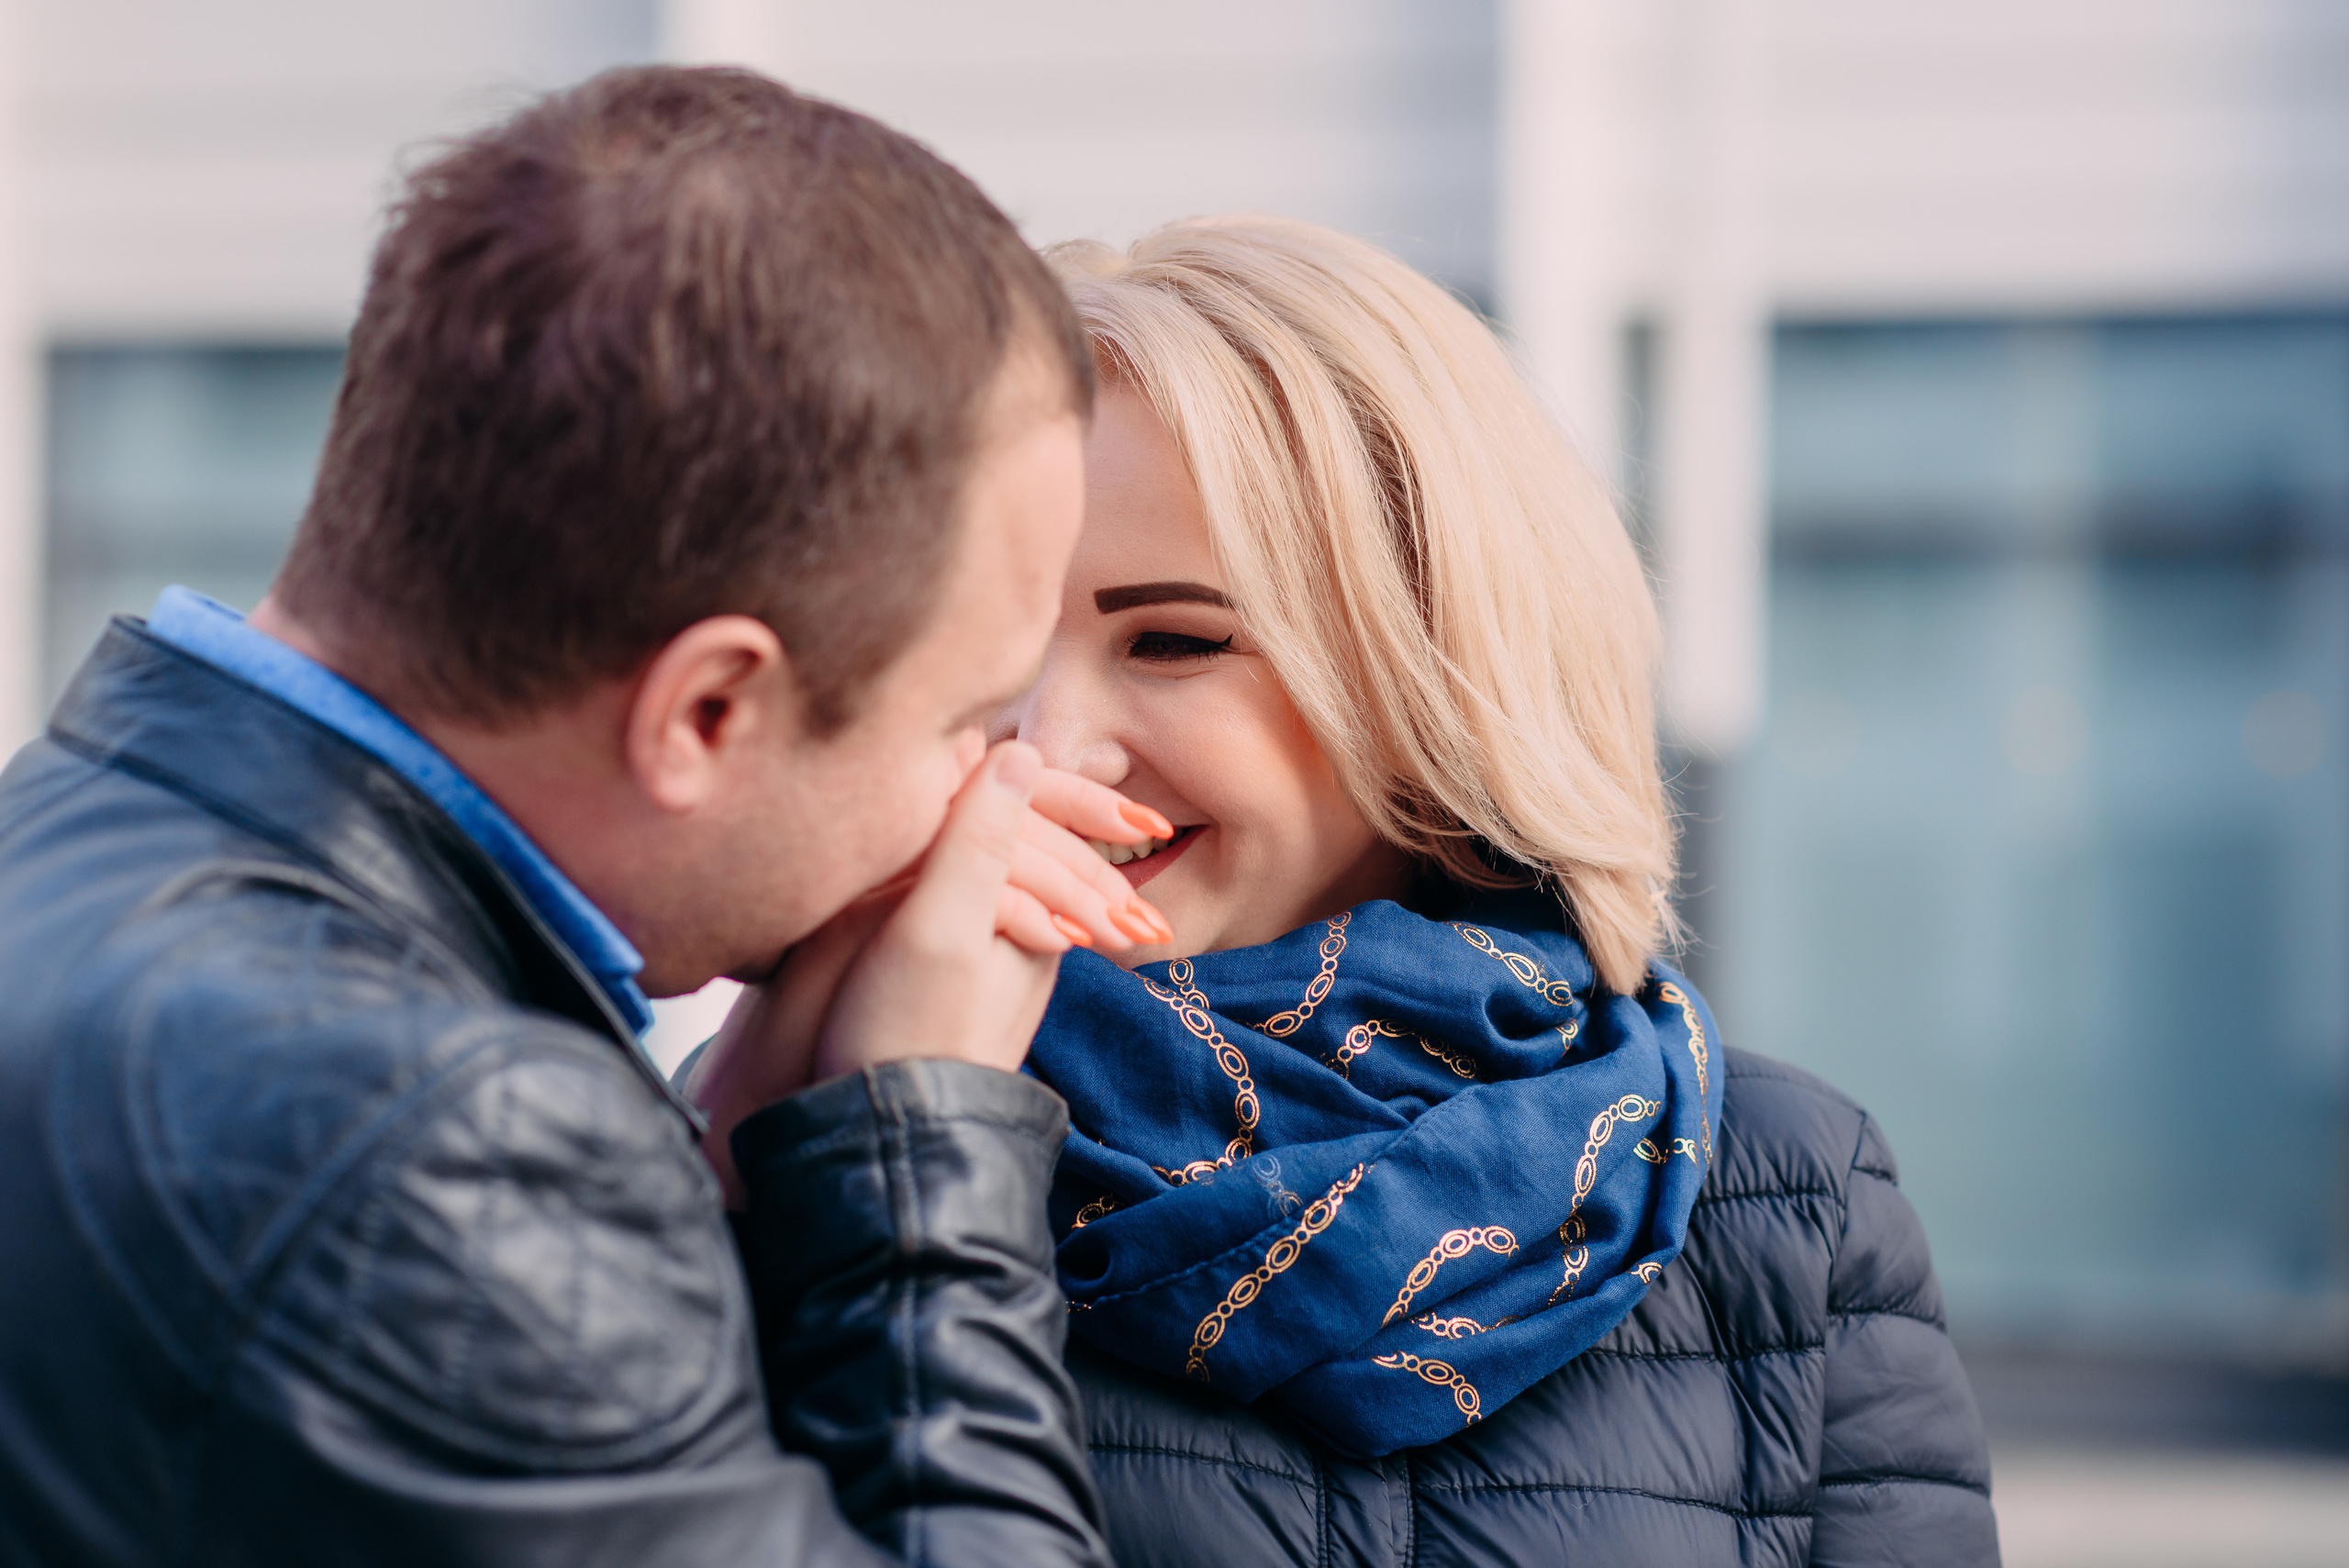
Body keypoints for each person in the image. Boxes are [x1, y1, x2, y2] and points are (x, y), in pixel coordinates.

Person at [0, 67, 1174, 1567]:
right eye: (962, 718)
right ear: (707, 713)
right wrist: (916, 1150)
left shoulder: (82, 832)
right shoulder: (438, 1148)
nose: (985, 786)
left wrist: (725, 1141)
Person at [1004, 217, 2000, 1566]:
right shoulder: (826, 1135)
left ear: (1425, 674)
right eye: (986, 637)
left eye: (1172, 640)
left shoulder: (1785, 1192)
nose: (1044, 744)